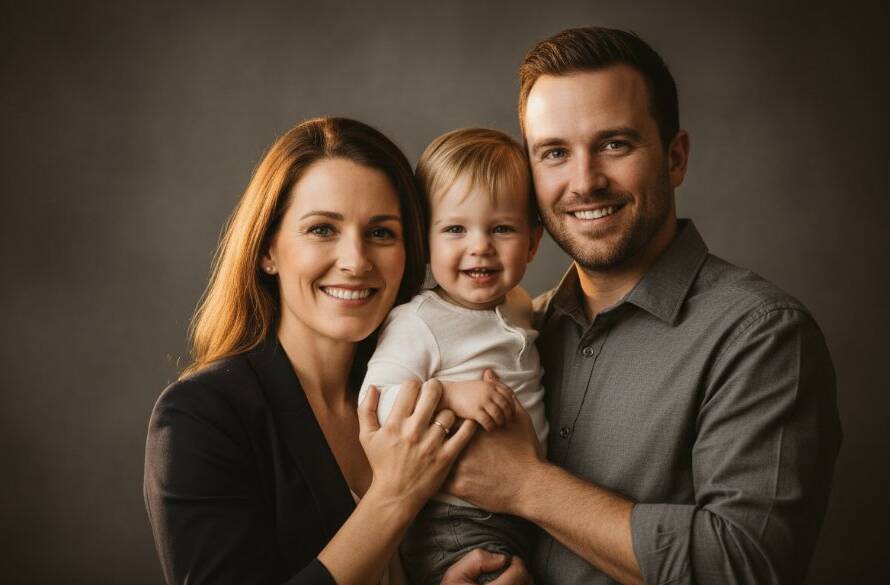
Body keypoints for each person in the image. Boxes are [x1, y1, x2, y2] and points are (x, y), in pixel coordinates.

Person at [445, 27, 842, 585]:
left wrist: (527, 486)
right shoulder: (522, 330)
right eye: (554, 153)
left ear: (675, 158)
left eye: (614, 144)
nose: (584, 182)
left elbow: (746, 568)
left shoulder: (761, 336)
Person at [143, 117, 529, 585]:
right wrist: (394, 496)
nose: (356, 261)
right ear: (268, 249)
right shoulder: (201, 416)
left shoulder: (424, 386)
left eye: (382, 233)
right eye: (323, 229)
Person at [358, 128, 547, 584]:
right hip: (454, 520)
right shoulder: (419, 320)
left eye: (502, 228)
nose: (479, 245)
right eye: (456, 229)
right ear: (425, 240)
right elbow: (376, 399)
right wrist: (450, 395)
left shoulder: (521, 304)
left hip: (527, 508)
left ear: (533, 242)